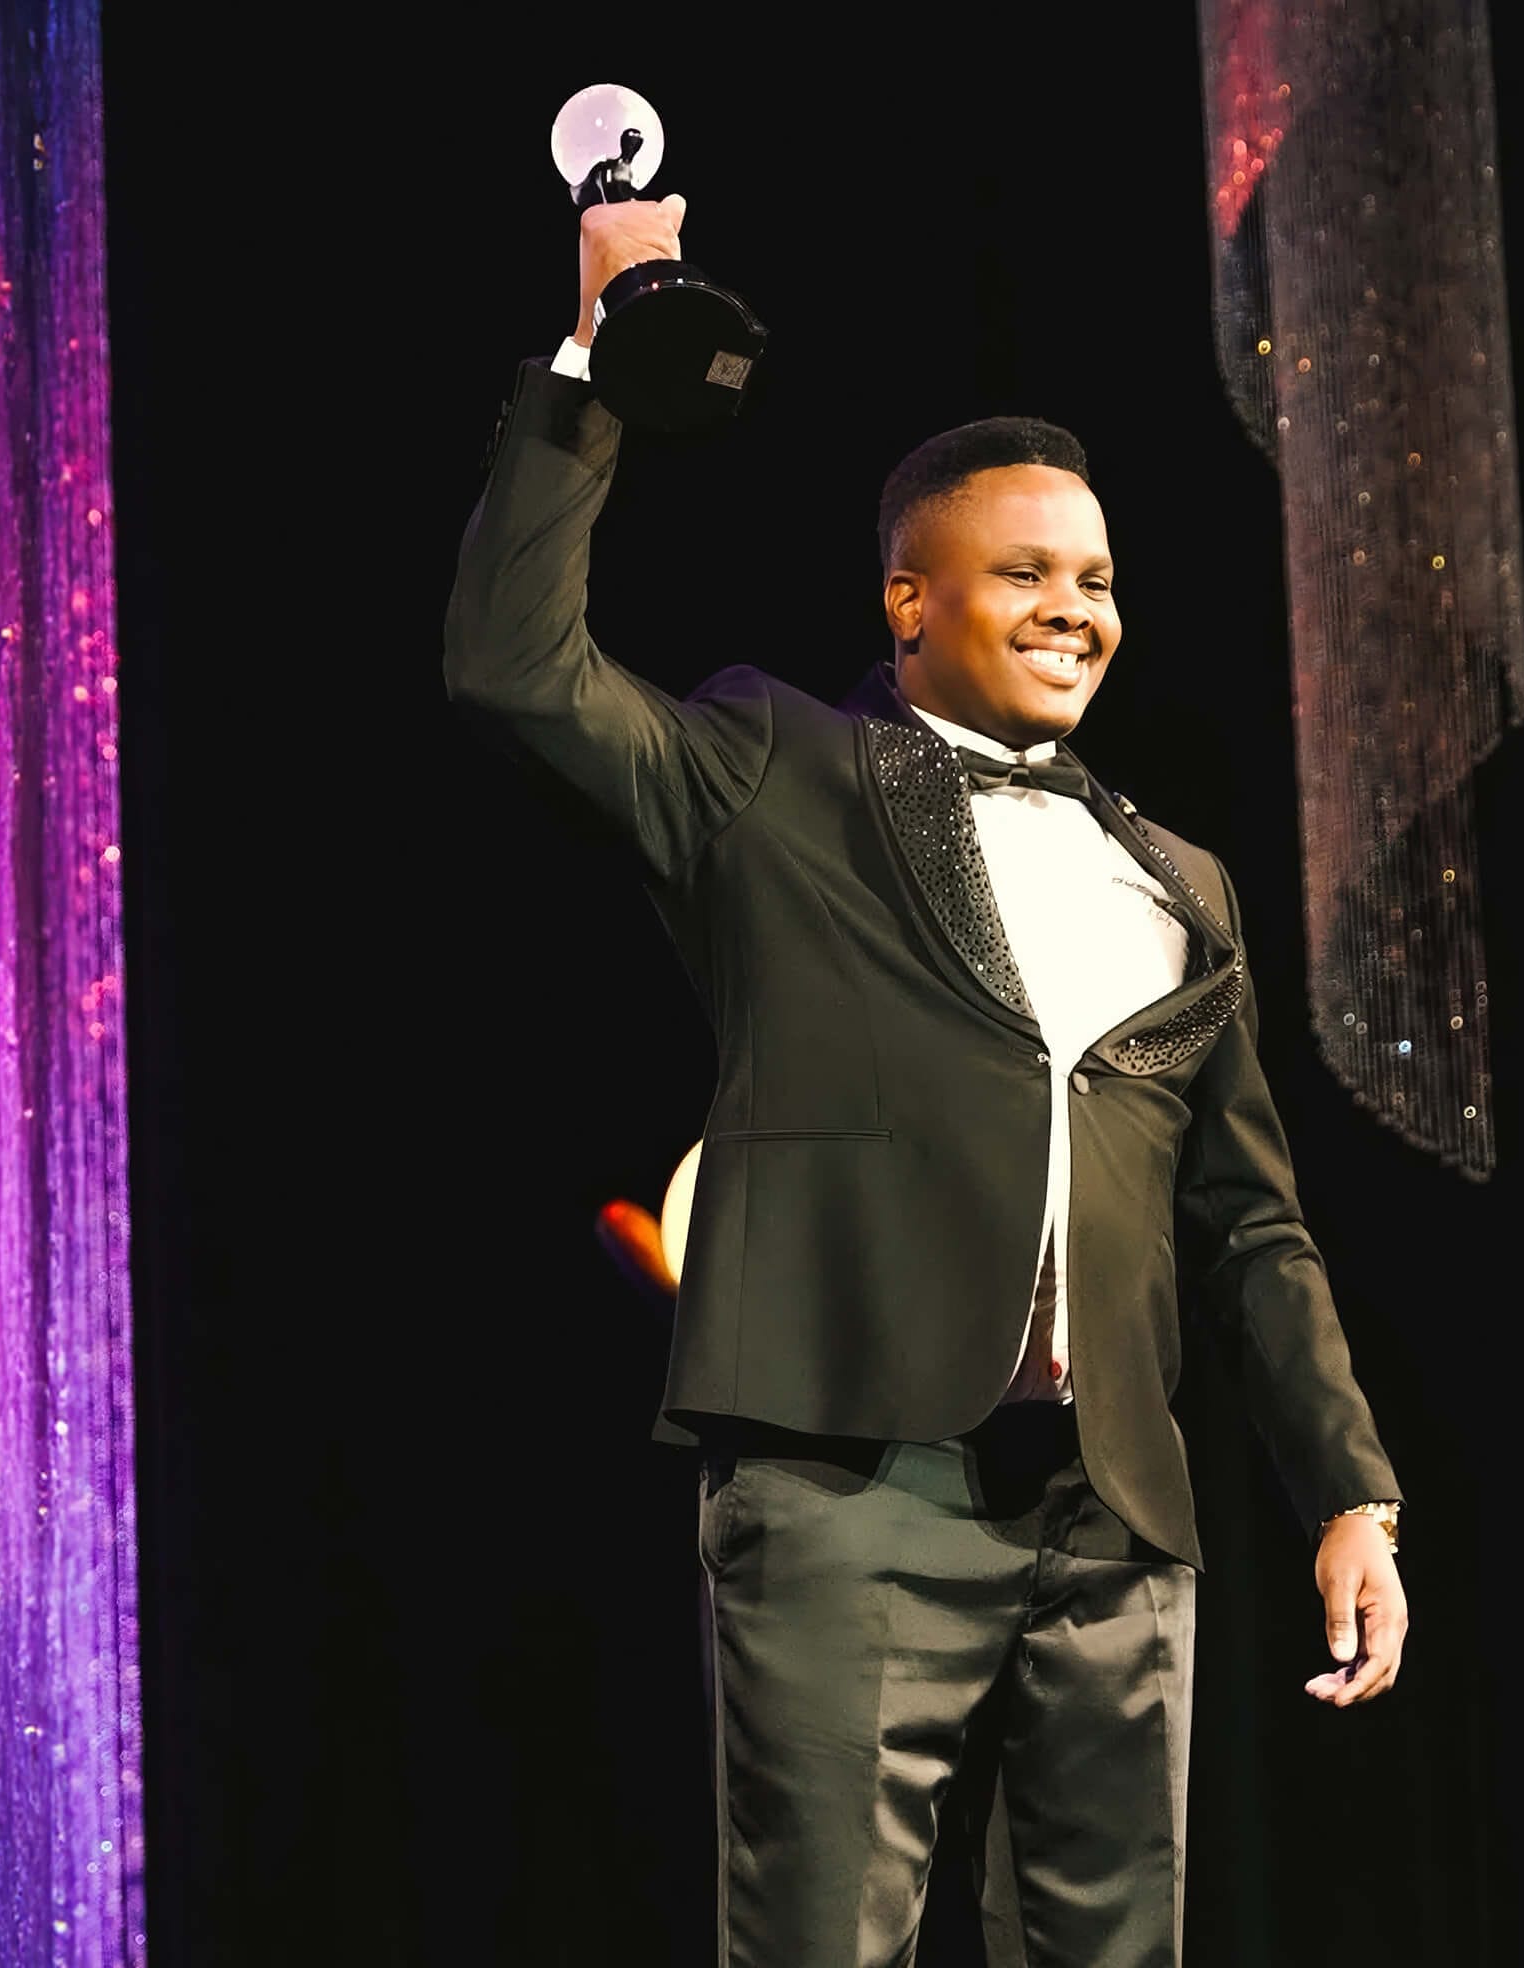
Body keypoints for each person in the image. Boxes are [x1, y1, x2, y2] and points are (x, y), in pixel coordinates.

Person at [443, 190, 1408, 1968]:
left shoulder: (1182, 883)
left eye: (1101, 580)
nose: (1077, 611)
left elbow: (1252, 1224)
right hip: (846, 1473)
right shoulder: (774, 769)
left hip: (1117, 1508)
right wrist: (597, 348)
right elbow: (516, 669)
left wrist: (1347, 1489)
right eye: (1028, 573)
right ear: (911, 596)